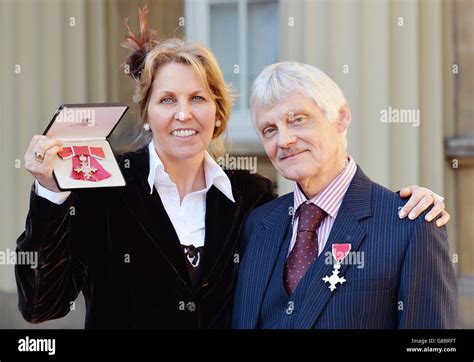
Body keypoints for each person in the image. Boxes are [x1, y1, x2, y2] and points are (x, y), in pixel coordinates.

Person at [16, 7, 449, 329]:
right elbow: (40, 304)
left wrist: (406, 205)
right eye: (167, 100)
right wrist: (51, 194)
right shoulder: (106, 187)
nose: (183, 114)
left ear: (218, 114)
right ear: (146, 113)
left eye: (198, 99)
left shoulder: (254, 199)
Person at [232, 62, 457, 329]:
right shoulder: (257, 225)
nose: (284, 140)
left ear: (341, 117)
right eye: (270, 129)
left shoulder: (411, 224)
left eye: (298, 120)